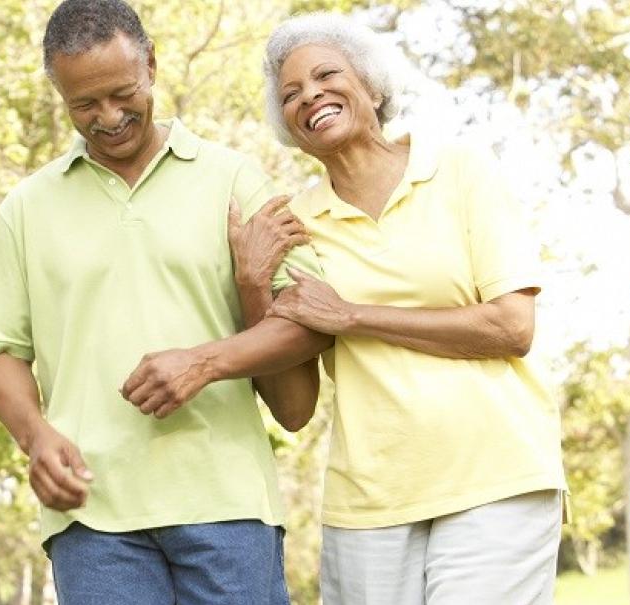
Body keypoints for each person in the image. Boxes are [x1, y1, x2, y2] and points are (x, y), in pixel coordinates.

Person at [0, 1, 331, 603]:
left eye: (122, 93)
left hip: (227, 504)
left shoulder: (233, 179)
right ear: (59, 92)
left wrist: (205, 362)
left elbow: (313, 321)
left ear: (153, 66)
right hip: (92, 518)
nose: (109, 117)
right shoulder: (26, 209)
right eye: (84, 104)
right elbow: (2, 353)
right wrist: (35, 437)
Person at [229, 13, 569, 605]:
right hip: (369, 502)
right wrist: (253, 284)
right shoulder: (295, 227)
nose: (310, 94)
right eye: (290, 93)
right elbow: (292, 409)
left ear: (373, 85)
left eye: (326, 74)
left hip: (496, 476)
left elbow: (512, 326)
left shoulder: (461, 169)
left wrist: (354, 316)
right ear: (287, 124)